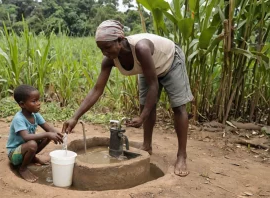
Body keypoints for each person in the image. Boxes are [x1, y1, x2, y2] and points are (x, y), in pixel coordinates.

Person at [62, 20, 193, 177]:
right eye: (101, 49)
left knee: (178, 107)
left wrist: (142, 117)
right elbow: (97, 89)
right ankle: (147, 145)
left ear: (120, 39)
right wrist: (75, 117)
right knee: (146, 105)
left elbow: (153, 86)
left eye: (107, 47)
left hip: (170, 62)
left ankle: (181, 155)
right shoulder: (109, 60)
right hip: (147, 68)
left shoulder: (141, 48)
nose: (105, 52)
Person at [6, 85, 63, 182]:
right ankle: (23, 169)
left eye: (38, 100)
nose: (38, 103)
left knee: (47, 136)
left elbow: (48, 128)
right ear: (22, 104)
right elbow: (26, 137)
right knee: (33, 143)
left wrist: (60, 133)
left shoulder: (35, 115)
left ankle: (32, 158)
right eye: (34, 101)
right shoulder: (19, 119)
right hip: (14, 155)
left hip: (25, 149)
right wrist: (48, 134)